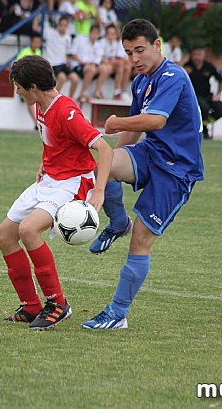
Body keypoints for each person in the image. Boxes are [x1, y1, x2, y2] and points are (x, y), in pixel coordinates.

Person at [83, 19, 204, 330]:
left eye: (139, 50)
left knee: (140, 241)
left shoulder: (173, 75)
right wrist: (110, 154)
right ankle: (117, 222)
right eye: (128, 52)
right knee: (102, 168)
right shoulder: (140, 81)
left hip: (177, 171)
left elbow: (154, 121)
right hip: (151, 155)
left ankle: (117, 314)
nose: (134, 58)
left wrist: (117, 122)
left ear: (157, 45)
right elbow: (137, 128)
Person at [0, 55, 113, 330]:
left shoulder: (68, 112)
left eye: (19, 87)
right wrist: (45, 162)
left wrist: (98, 192)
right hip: (50, 179)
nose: (17, 91)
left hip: (72, 182)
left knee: (28, 230)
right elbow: (55, 141)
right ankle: (31, 306)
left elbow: (105, 150)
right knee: (4, 235)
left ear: (33, 86)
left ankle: (57, 304)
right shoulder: (39, 106)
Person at [183, 46, 222, 139]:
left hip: (207, 95)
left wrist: (218, 94)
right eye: (195, 55)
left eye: (199, 55)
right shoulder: (187, 66)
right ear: (191, 55)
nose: (197, 57)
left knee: (221, 110)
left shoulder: (209, 66)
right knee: (203, 108)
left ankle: (204, 124)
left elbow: (220, 79)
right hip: (193, 96)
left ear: (203, 55)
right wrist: (185, 73)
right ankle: (203, 129)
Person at [42, 15, 79, 98]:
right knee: (62, 78)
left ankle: (70, 100)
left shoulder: (68, 38)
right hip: (53, 63)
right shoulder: (50, 33)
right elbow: (39, 28)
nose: (63, 27)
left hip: (62, 63)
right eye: (61, 25)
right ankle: (53, 99)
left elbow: (67, 52)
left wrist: (69, 60)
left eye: (65, 25)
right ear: (58, 25)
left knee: (75, 79)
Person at [69, 23, 102, 102]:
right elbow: (72, 54)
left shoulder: (98, 45)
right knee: (91, 69)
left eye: (97, 33)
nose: (94, 35)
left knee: (104, 69)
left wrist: (92, 64)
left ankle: (97, 91)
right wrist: (83, 62)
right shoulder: (80, 39)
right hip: (78, 65)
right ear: (90, 32)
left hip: (90, 66)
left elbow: (98, 58)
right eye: (93, 32)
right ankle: (83, 93)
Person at [94, 24, 127, 100]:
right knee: (106, 69)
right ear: (106, 34)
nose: (111, 36)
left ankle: (117, 91)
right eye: (109, 34)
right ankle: (97, 91)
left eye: (113, 34)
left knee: (120, 66)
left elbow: (116, 58)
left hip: (110, 65)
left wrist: (113, 61)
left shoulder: (115, 43)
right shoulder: (102, 42)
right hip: (100, 64)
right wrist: (111, 61)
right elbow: (100, 58)